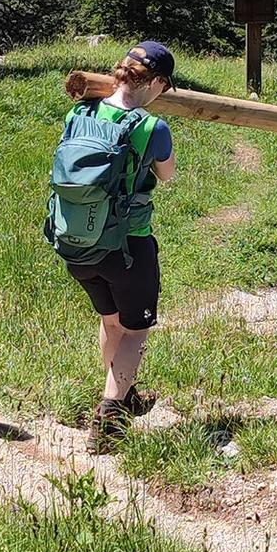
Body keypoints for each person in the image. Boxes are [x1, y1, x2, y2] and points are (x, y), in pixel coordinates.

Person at [67, 42, 180, 452]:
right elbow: (166, 175)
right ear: (158, 83)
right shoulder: (153, 128)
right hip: (127, 244)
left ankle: (123, 393)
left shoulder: (79, 112)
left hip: (76, 243)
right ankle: (110, 416)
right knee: (136, 329)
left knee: (111, 320)